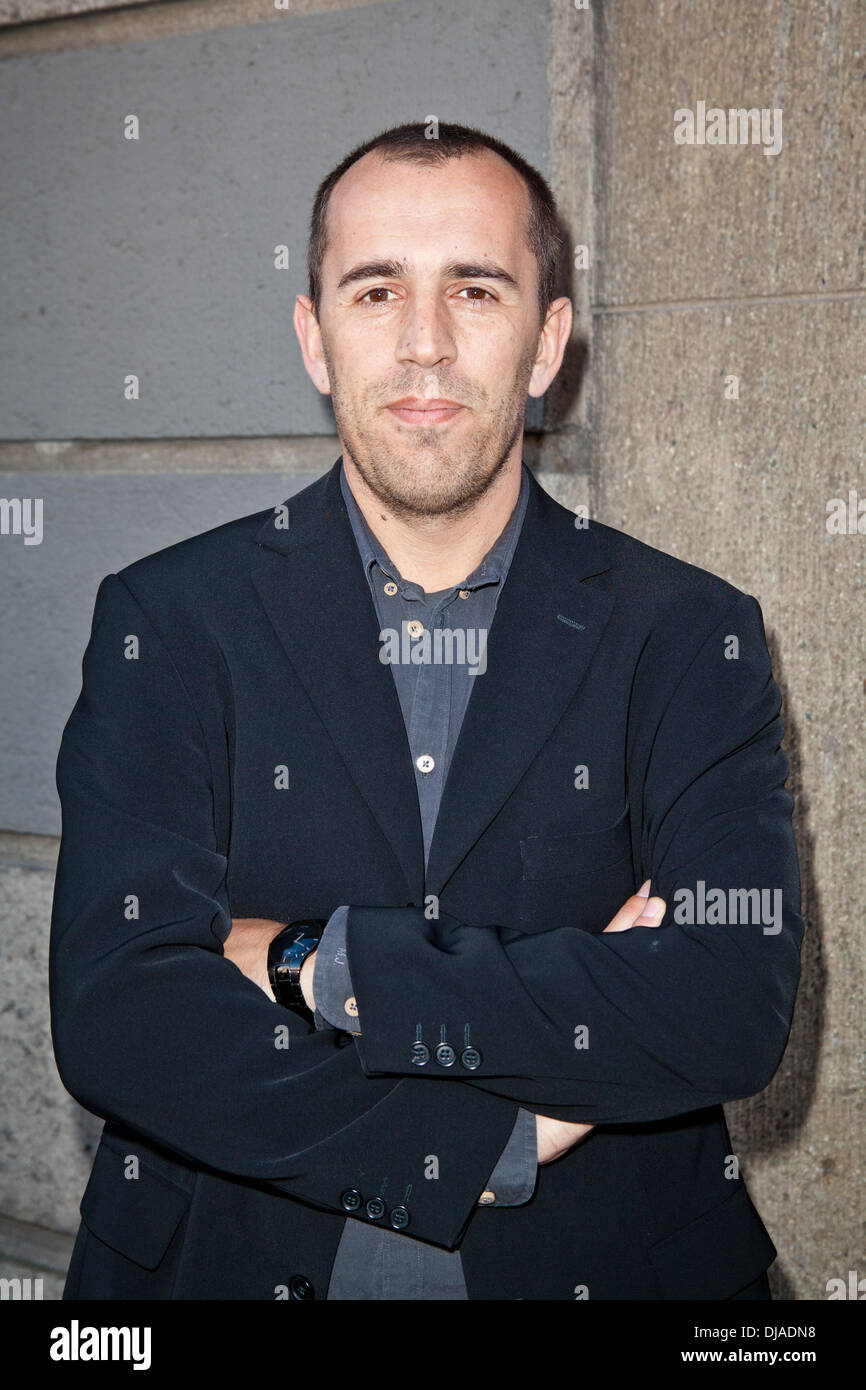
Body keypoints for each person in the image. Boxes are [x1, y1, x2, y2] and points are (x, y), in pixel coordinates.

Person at [50, 122, 803, 1301]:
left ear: (547, 341)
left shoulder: (687, 633)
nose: (423, 345)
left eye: (474, 289)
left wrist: (318, 958)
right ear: (313, 337)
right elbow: (118, 1013)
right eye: (374, 291)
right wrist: (482, 1138)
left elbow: (721, 1005)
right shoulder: (167, 619)